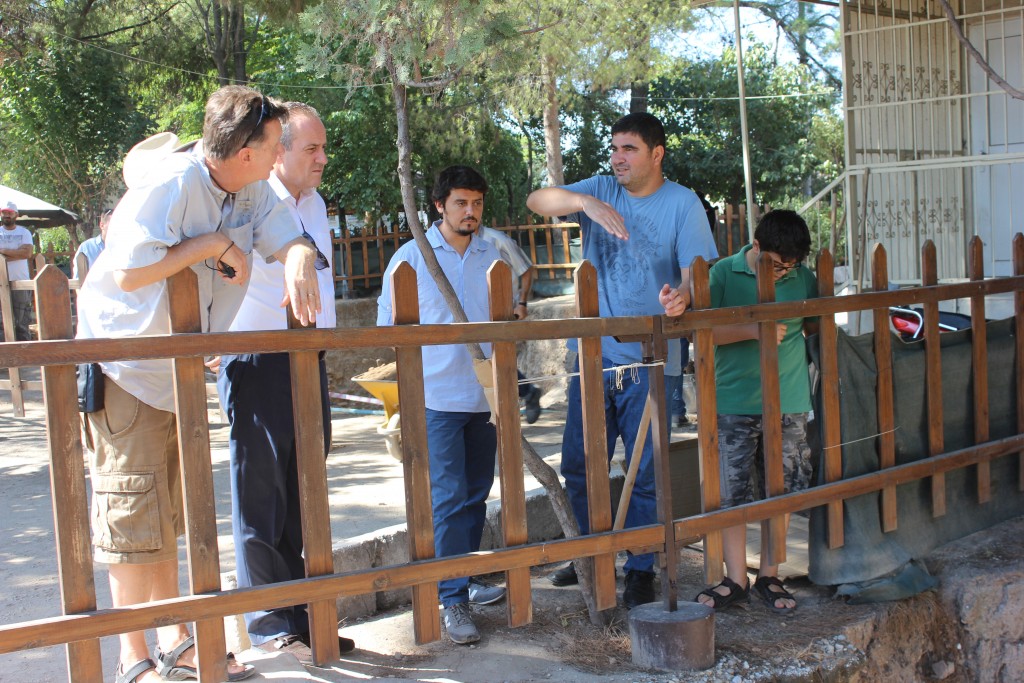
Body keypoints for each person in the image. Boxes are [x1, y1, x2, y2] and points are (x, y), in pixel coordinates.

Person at [75, 85, 321, 683]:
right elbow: (129, 269)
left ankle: (178, 643)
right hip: (128, 371)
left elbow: (286, 236)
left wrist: (297, 258)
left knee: (169, 522)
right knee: (133, 522)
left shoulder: (251, 187)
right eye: (273, 145)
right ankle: (133, 657)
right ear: (244, 151)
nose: (280, 154)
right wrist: (211, 245)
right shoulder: (171, 184)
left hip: (178, 375)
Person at [526, 112, 718, 608]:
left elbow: (698, 272)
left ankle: (639, 568)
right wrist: (582, 200)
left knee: (647, 469)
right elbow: (537, 201)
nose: (617, 158)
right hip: (592, 357)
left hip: (652, 359)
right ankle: (589, 556)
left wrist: (685, 298)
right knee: (580, 464)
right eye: (614, 149)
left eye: (629, 149)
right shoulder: (601, 190)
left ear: (657, 154)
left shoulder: (683, 203)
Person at [217, 102, 354, 662]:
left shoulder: (315, 202)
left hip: (307, 358)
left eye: (323, 148)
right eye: (311, 149)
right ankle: (269, 623)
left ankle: (303, 615)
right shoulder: (253, 197)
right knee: (261, 494)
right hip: (258, 359)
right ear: (280, 150)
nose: (322, 158)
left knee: (304, 491)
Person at [377, 165, 506, 645]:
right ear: (438, 206)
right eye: (460, 203)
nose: (470, 212)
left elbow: (507, 319)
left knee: (476, 494)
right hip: (434, 399)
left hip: (483, 399)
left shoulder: (493, 255)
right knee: (449, 497)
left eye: (476, 203)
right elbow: (388, 328)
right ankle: (450, 598)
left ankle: (464, 581)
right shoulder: (411, 259)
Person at [693, 209, 817, 615]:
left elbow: (814, 325)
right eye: (777, 265)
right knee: (732, 494)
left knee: (777, 492)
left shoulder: (803, 278)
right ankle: (735, 578)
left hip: (790, 399)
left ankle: (770, 573)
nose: (784, 273)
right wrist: (751, 328)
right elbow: (699, 333)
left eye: (791, 267)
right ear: (757, 247)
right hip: (732, 401)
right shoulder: (725, 274)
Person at [478, 226, 543, 423]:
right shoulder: (454, 242)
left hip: (504, 309)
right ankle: (526, 391)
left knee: (495, 358)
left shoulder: (497, 240)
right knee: (485, 359)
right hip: (477, 310)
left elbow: (526, 270)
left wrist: (522, 303)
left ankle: (525, 392)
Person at [0, 201, 34, 341]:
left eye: (10, 212)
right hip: (1, 282)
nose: (7, 215)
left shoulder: (24, 232)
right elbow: (20, 253)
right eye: (4, 212)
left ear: (16, 215)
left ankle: (26, 353)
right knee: (2, 321)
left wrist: (2, 252)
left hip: (20, 282)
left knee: (22, 321)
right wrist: (16, 252)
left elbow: (26, 254)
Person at [72, 209, 111, 281]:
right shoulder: (86, 248)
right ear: (102, 225)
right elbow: (78, 280)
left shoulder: (126, 248)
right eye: (112, 225)